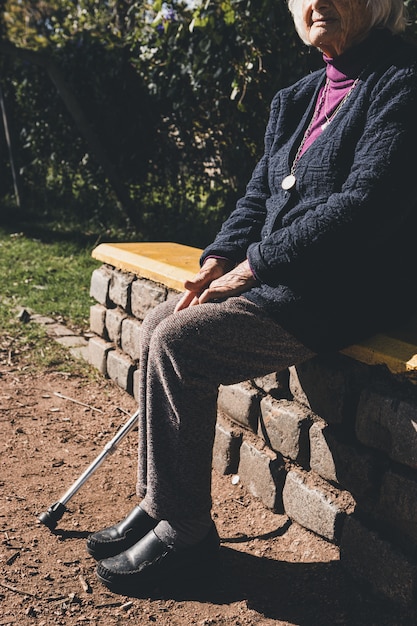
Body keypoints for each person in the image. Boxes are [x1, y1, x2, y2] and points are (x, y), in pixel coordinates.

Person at [87, 0, 417, 593]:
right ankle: (160, 504)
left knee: (181, 342)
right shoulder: (297, 98)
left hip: (344, 292)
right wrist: (218, 259)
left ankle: (185, 535)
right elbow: (257, 197)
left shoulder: (401, 84)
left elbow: (362, 207)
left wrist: (253, 267)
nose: (318, 3)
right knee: (162, 320)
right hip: (286, 281)